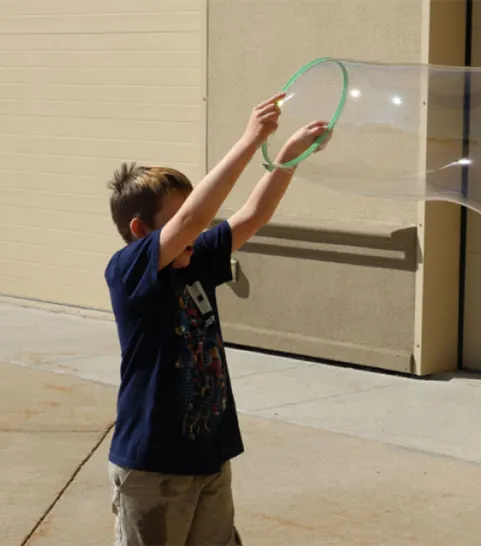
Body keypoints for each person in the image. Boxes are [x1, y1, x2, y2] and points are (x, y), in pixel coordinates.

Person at [104, 91, 331, 545]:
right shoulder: (129, 269)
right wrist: (250, 138)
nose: (200, 230)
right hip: (153, 465)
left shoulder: (196, 258)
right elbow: (194, 217)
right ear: (141, 231)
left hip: (209, 455)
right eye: (180, 225)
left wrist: (286, 157)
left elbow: (253, 215)